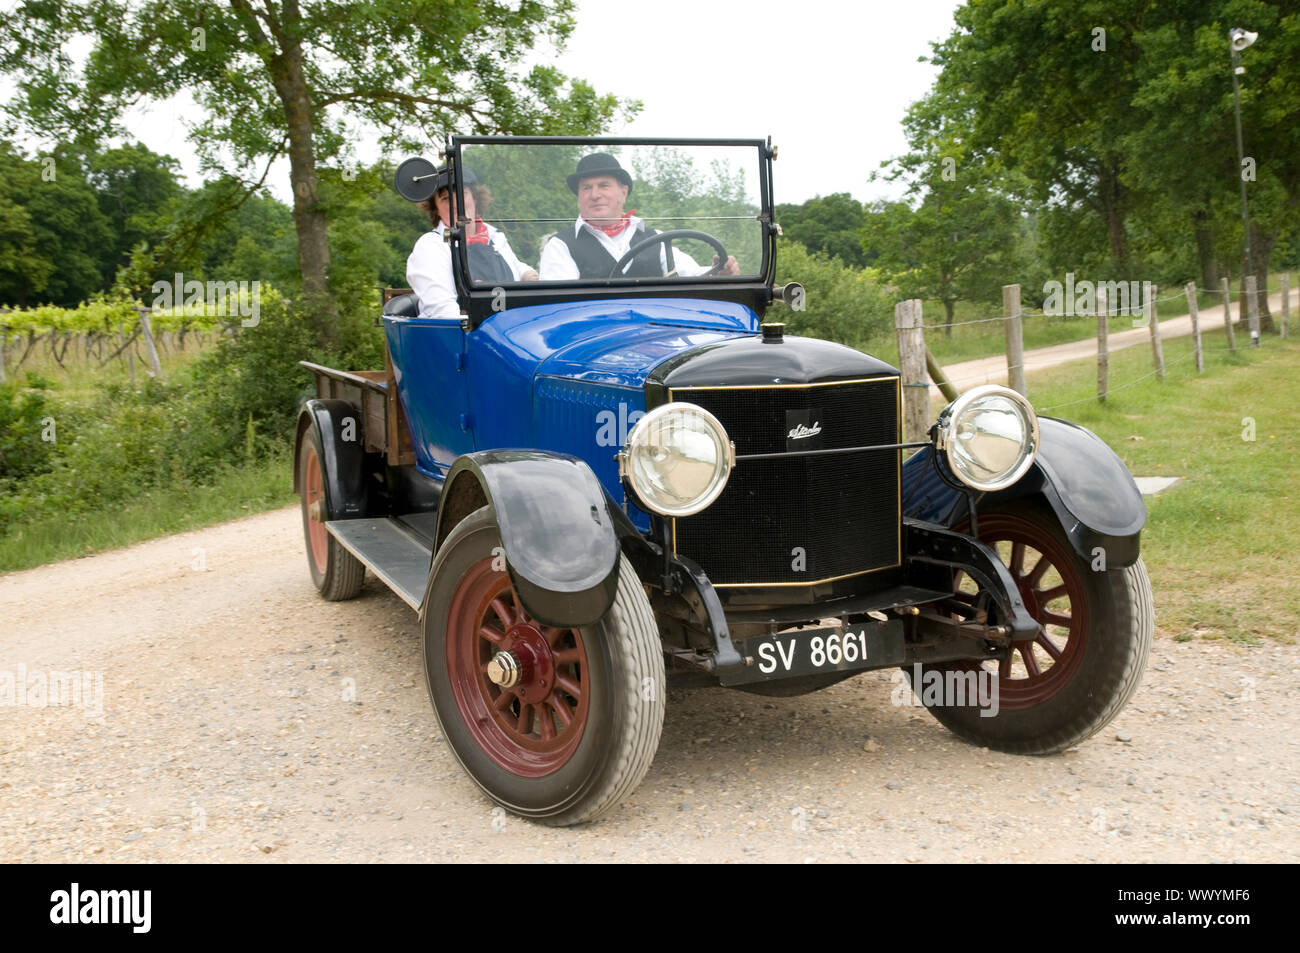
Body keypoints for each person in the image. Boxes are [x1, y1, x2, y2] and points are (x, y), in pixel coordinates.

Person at [538, 153, 740, 280]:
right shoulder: (560, 246)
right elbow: (560, 305)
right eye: (586, 188)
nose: (595, 195)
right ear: (579, 197)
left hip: (657, 338)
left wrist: (720, 271)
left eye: (604, 185)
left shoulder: (655, 239)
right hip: (594, 341)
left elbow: (692, 275)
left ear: (623, 193)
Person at [406, 167, 537, 319]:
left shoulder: (494, 237)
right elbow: (441, 309)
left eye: (462, 194)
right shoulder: (431, 246)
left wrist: (527, 275)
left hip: (510, 327)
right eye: (446, 199)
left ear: (474, 198)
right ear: (436, 209)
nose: (456, 203)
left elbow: (516, 267)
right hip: (464, 336)